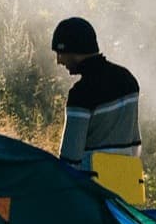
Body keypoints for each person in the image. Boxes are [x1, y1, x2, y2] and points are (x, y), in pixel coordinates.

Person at [52, 16, 141, 169]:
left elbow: (70, 160)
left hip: (92, 187)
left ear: (75, 51)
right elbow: (135, 145)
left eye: (61, 53)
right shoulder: (128, 80)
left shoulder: (81, 93)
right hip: (126, 184)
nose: (59, 61)